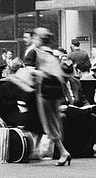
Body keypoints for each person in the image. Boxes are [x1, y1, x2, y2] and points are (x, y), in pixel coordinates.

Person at [24, 26, 71, 166]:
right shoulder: (53, 53)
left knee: (48, 123)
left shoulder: (35, 52)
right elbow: (63, 73)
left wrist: (41, 73)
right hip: (55, 91)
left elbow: (30, 71)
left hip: (44, 91)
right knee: (52, 122)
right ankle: (57, 151)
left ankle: (63, 152)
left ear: (38, 38)